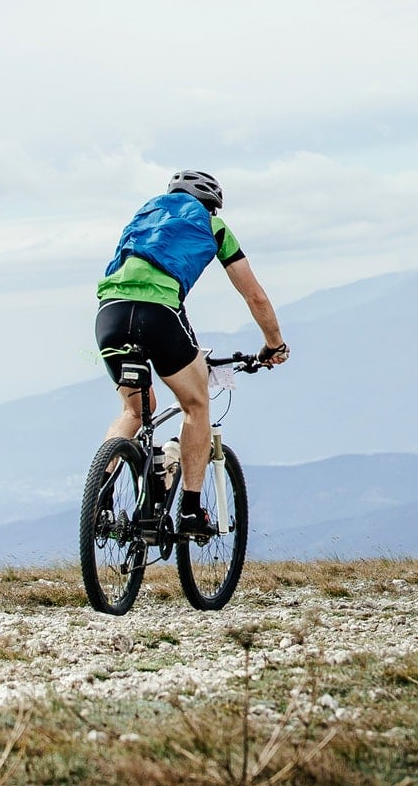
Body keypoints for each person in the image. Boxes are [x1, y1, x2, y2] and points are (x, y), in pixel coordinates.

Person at [95, 170, 287, 536]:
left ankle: (99, 501)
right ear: (211, 204)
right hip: (159, 316)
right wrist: (274, 344)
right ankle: (191, 510)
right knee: (196, 405)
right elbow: (254, 295)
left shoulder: (144, 216)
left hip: (110, 314)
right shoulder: (214, 227)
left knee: (133, 410)